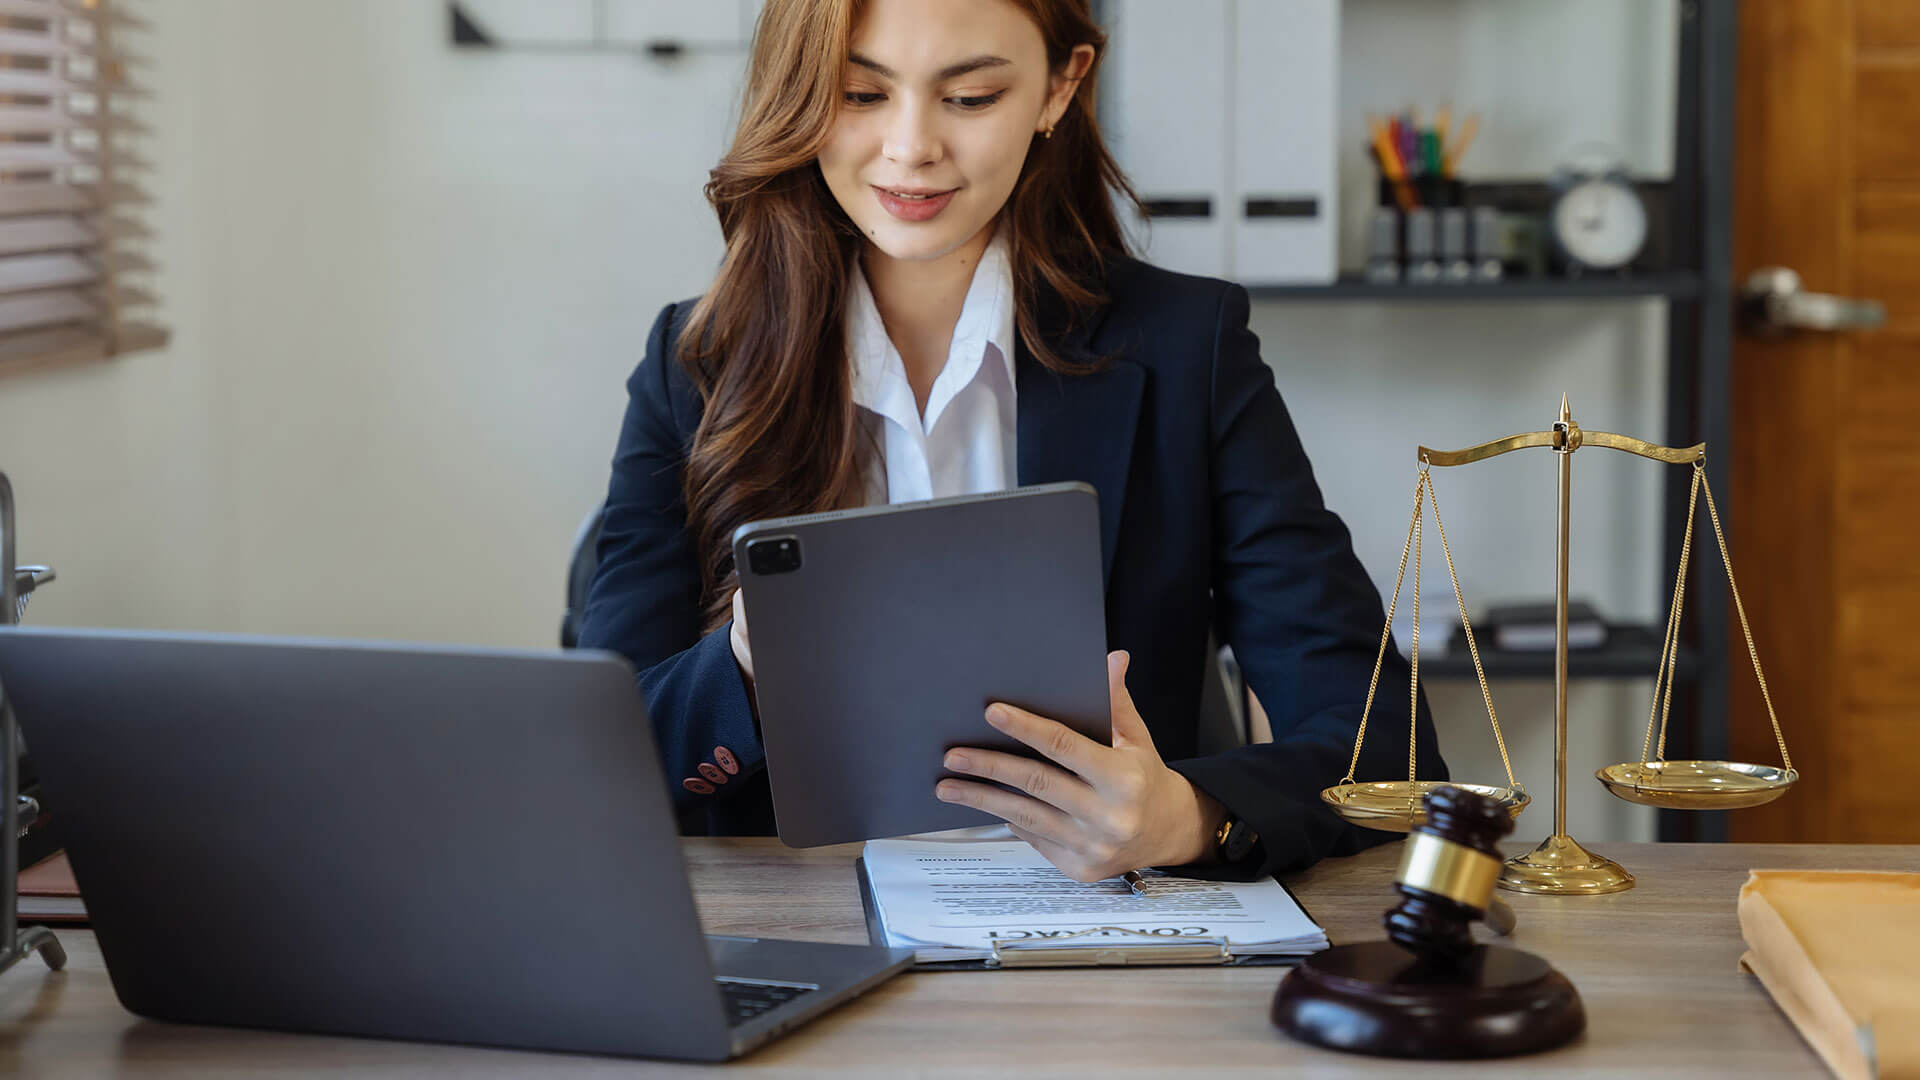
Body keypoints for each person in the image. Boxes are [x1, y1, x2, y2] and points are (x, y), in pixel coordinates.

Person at [580, 0, 1444, 882]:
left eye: (972, 97)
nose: (912, 146)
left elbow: (1389, 747)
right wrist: (746, 668)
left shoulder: (1189, 348)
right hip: (800, 930)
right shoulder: (695, 364)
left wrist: (1187, 817)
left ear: (1059, 87)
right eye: (859, 93)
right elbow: (588, 762)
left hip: (1107, 945)